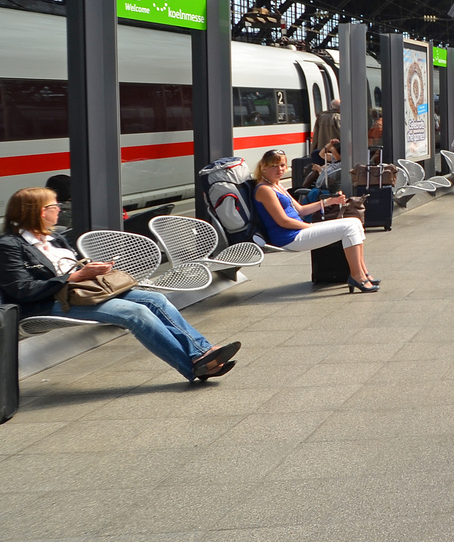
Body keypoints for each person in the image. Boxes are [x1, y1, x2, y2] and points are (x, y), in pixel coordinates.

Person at [0, 187, 241, 382]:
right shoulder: (11, 245)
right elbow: (20, 290)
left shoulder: (55, 237)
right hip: (49, 302)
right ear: (40, 212)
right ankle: (193, 367)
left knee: (155, 300)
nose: (59, 209)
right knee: (135, 313)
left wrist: (92, 270)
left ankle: (202, 353)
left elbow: (71, 267)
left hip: (84, 293)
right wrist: (73, 277)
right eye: (55, 206)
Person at [251, 150, 379, 293]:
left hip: (298, 230)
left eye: (282, 165)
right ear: (264, 167)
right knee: (349, 228)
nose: (280, 170)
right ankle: (357, 276)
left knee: (354, 221)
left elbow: (300, 210)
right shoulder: (264, 190)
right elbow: (283, 221)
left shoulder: (276, 185)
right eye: (274, 166)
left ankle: (363, 272)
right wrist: (308, 226)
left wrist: (329, 201)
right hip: (289, 237)